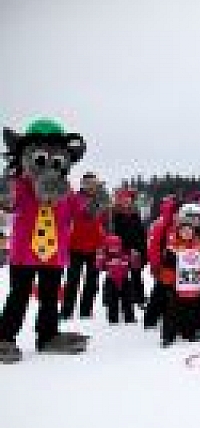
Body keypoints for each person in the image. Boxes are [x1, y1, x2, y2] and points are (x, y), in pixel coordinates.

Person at [0, 119, 99, 361]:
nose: (50, 165)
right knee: (19, 296)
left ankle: (47, 336)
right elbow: (7, 201)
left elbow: (86, 212)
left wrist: (94, 196)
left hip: (54, 257)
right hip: (24, 254)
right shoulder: (21, 185)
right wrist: (7, 182)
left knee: (50, 297)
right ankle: (4, 337)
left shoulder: (66, 193)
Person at [60, 172, 109, 320]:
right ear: (82, 184)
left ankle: (86, 311)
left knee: (92, 281)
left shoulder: (102, 200)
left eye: (93, 183)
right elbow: (82, 214)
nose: (91, 186)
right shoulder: (75, 198)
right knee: (72, 280)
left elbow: (106, 222)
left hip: (95, 247)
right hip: (75, 246)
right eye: (88, 183)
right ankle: (66, 311)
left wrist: (105, 241)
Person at [160, 206, 200, 347]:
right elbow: (167, 266)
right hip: (176, 285)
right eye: (183, 229)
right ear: (179, 231)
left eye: (189, 229)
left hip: (192, 285)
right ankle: (168, 335)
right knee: (173, 310)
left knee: (191, 310)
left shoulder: (198, 245)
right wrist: (168, 282)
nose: (187, 232)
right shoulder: (173, 246)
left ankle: (189, 332)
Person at [143, 194, 178, 329]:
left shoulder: (176, 224)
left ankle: (161, 315)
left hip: (172, 263)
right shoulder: (160, 224)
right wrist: (155, 264)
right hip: (162, 264)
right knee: (160, 291)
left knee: (166, 291)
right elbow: (153, 246)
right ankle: (150, 319)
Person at [111, 187, 148, 307]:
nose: (127, 202)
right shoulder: (116, 215)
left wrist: (141, 250)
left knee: (136, 274)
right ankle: (115, 298)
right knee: (119, 276)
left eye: (129, 199)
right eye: (124, 199)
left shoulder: (135, 215)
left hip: (136, 251)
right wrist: (123, 249)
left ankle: (139, 298)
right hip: (121, 251)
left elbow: (141, 234)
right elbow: (116, 234)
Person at [96, 234, 141, 324]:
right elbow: (99, 266)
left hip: (124, 279)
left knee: (127, 300)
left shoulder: (125, 255)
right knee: (112, 300)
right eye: (112, 247)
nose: (114, 249)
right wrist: (100, 257)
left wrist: (135, 257)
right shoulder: (106, 256)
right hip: (111, 280)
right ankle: (113, 318)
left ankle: (129, 317)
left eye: (116, 246)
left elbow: (135, 266)